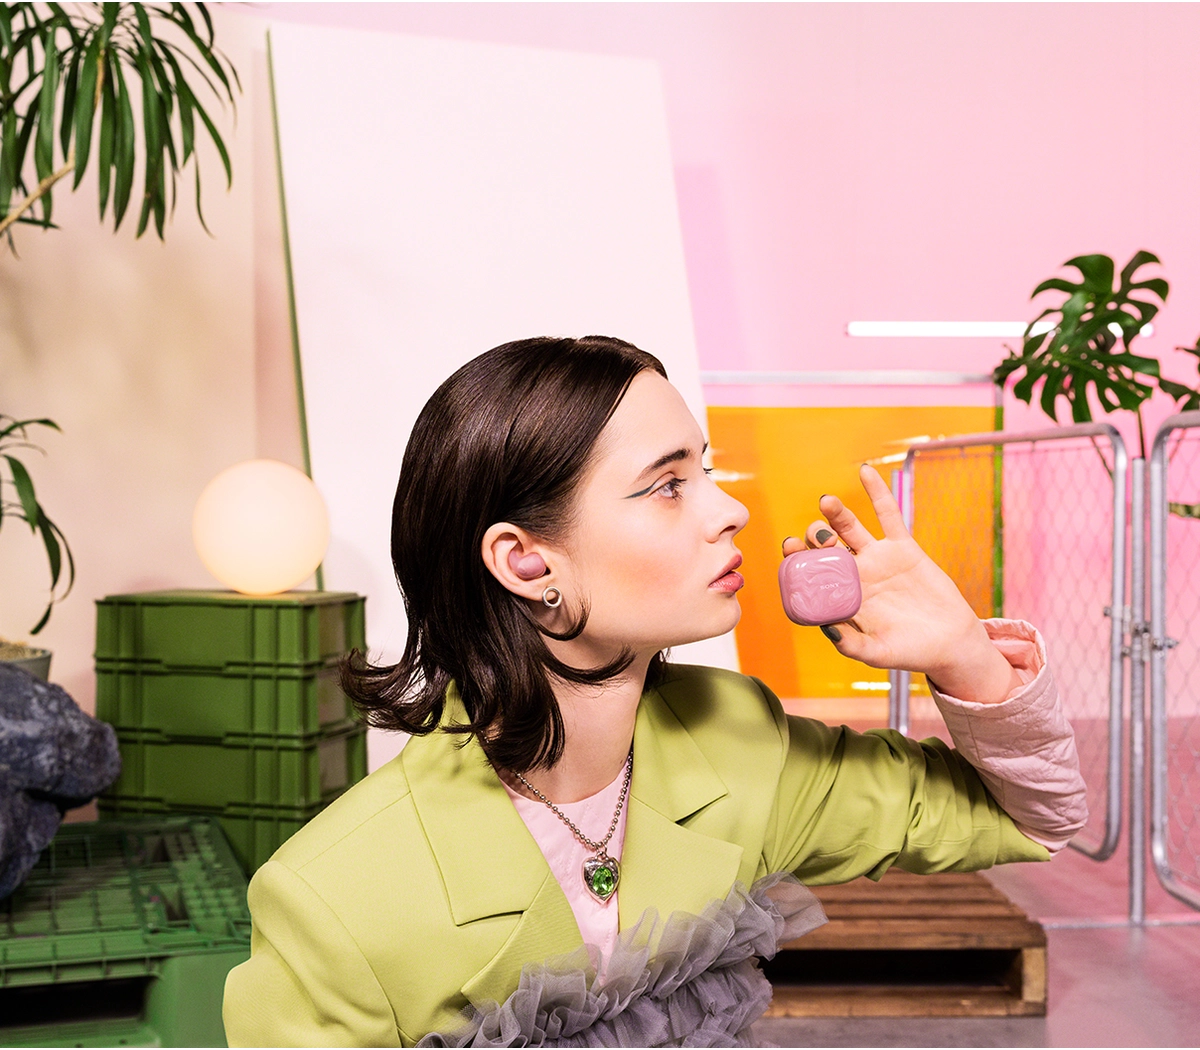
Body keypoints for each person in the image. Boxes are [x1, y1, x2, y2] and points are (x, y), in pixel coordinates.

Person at [222, 335, 1087, 1047]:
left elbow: (1031, 818)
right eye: (669, 484)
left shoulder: (743, 747)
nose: (729, 511)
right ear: (526, 561)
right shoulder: (332, 903)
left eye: (703, 470)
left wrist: (964, 655)